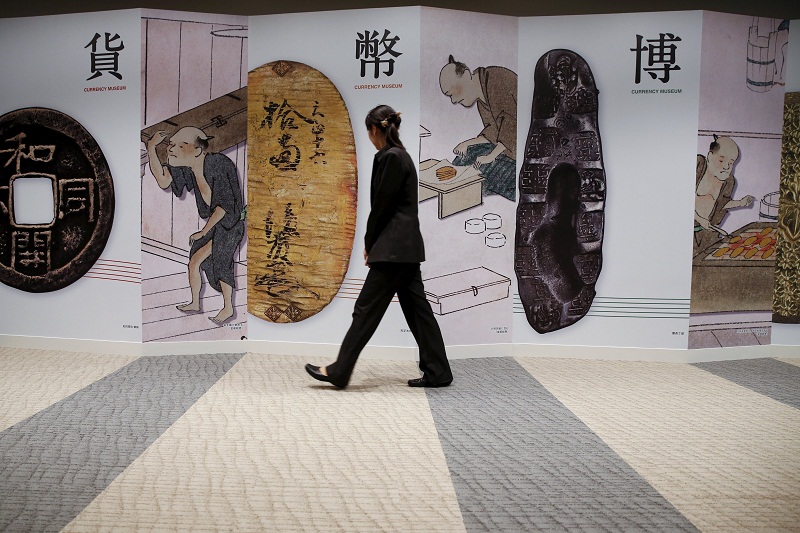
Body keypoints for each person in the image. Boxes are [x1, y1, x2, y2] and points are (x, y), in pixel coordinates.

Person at [305, 105, 453, 389]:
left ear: (375, 129)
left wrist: (369, 243)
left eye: (368, 131)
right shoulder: (401, 156)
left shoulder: (390, 158)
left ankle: (339, 371)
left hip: (393, 248)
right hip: (405, 248)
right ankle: (438, 371)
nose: (370, 137)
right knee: (418, 311)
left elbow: (382, 207)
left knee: (365, 309)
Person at [145, 126, 245, 324]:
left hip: (231, 224)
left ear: (197, 150)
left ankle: (228, 308)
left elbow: (224, 208)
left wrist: (202, 232)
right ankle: (195, 303)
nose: (170, 149)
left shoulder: (218, 164)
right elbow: (163, 180)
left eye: (179, 146)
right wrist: (150, 148)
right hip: (216, 224)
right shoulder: (188, 169)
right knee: (195, 261)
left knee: (221, 262)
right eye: (171, 145)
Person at [438, 55, 517, 200]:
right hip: (507, 147)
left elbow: (511, 129)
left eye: (453, 91)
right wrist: (467, 144)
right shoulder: (482, 95)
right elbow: (493, 132)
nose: (454, 100)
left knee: (482, 173)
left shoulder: (496, 80)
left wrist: (491, 156)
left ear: (467, 75)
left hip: (524, 150)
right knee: (463, 159)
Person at [694, 135, 754, 256]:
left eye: (731, 163)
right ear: (710, 156)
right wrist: (699, 219)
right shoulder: (698, 165)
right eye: (721, 160)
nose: (727, 167)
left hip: (709, 233)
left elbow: (722, 204)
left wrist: (741, 203)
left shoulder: (729, 181)